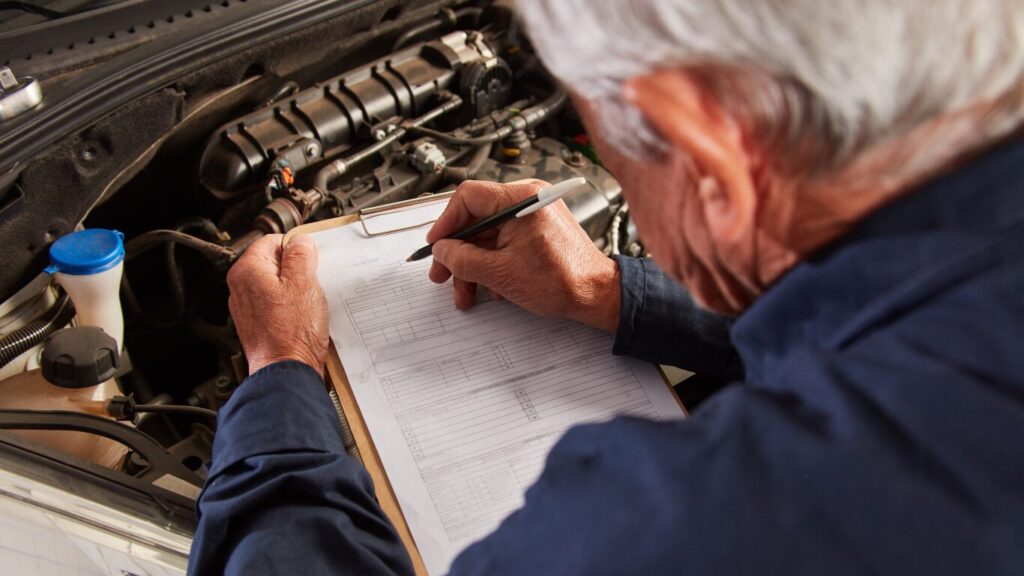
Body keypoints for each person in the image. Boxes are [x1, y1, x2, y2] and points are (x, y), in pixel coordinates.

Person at [188, 1, 1024, 574]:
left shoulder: (705, 520)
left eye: (612, 157)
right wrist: (610, 291)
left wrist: (282, 372)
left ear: (710, 152)